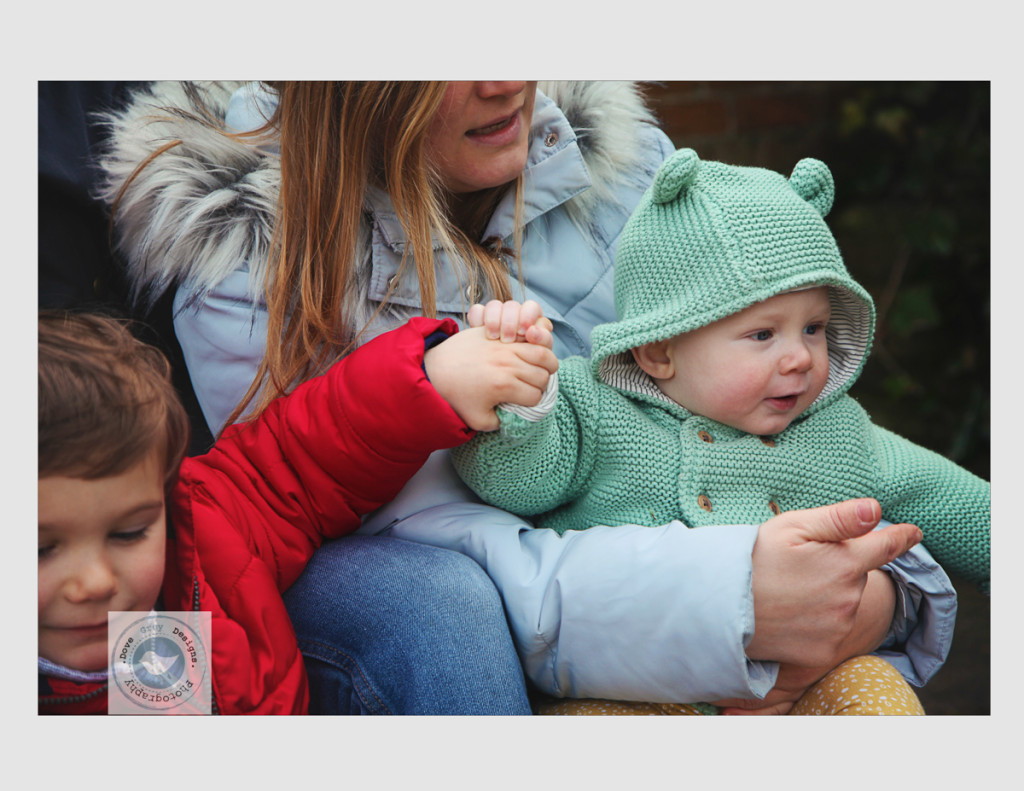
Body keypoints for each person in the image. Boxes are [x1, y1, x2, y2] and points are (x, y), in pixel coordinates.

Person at [96, 80, 945, 714]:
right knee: (441, 609)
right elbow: (425, 528)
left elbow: (807, 439)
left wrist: (871, 586)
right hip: (519, 587)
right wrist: (728, 601)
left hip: (689, 563)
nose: (505, 80)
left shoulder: (631, 168)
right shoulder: (248, 262)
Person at [451, 149, 989, 713]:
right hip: (639, 689)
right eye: (763, 335)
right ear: (660, 348)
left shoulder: (838, 433)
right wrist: (522, 395)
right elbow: (515, 484)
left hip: (806, 684)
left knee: (879, 700)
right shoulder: (596, 410)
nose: (800, 357)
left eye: (814, 328)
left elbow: (951, 500)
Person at [38, 308, 556, 714]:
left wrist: (430, 380)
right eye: (39, 548)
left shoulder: (198, 532)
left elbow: (293, 462)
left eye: (129, 533)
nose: (95, 581)